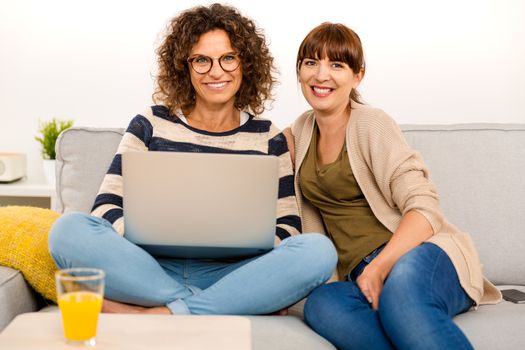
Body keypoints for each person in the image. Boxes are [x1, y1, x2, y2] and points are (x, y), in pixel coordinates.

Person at [48, 4, 337, 316]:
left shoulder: (269, 136)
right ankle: (213, 303)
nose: (216, 71)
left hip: (232, 273)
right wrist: (139, 242)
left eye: (228, 58)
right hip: (148, 268)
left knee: (318, 252)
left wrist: (252, 257)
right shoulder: (150, 123)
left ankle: (162, 311)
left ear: (246, 64)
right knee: (67, 231)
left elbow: (289, 227)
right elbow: (105, 207)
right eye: (201, 60)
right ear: (184, 66)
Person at [284, 22, 501, 349]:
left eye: (336, 65)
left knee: (400, 295)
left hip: (419, 255)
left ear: (358, 76)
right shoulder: (299, 130)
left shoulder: (372, 123)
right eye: (311, 62)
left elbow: (425, 208)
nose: (321, 74)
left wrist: (382, 266)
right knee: (321, 304)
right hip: (356, 276)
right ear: (299, 71)